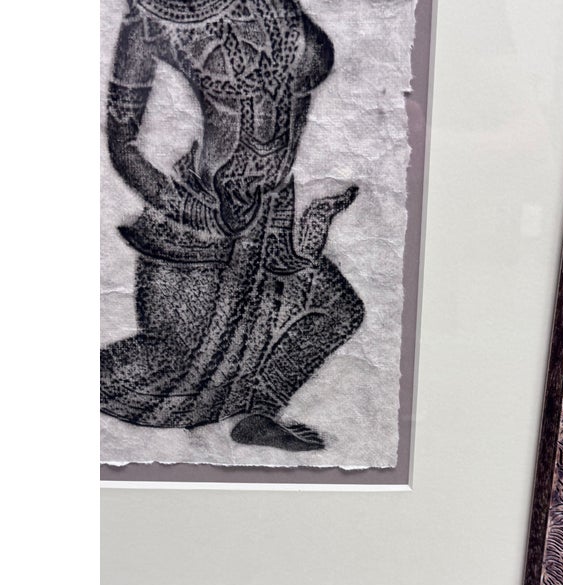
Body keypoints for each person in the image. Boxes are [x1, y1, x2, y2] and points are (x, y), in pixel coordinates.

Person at [100, 0, 365, 451]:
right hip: (203, 228)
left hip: (270, 220)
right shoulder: (151, 19)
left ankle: (259, 414)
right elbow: (122, 143)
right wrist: (190, 210)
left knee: (336, 312)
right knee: (169, 366)